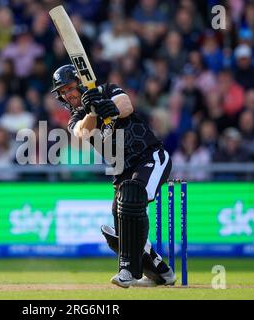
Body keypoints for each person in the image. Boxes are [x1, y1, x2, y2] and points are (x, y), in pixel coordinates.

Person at [51, 64, 175, 287]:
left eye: (69, 87)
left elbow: (125, 105)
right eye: (62, 92)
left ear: (80, 83)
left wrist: (107, 106)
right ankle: (162, 272)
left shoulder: (107, 90)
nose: (67, 94)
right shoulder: (76, 116)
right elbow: (82, 132)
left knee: (131, 199)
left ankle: (128, 270)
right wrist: (92, 112)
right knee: (124, 223)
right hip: (121, 172)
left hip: (150, 157)